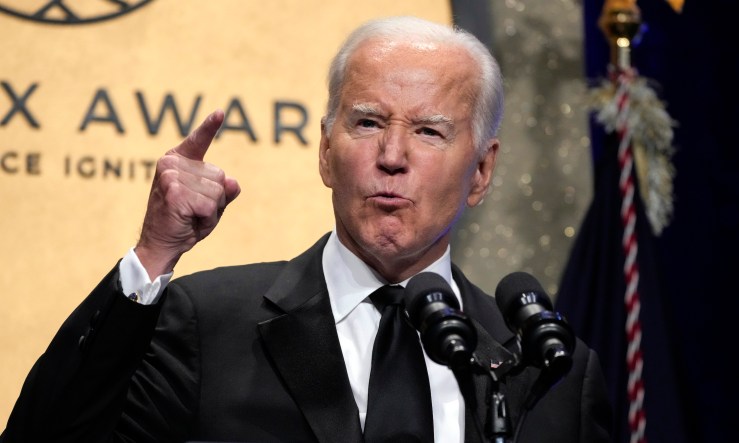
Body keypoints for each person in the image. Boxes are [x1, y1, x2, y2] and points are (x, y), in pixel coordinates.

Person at [1, 16, 611, 443]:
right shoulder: (206, 325)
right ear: (325, 151)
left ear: (481, 171)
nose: (392, 156)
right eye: (367, 123)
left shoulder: (547, 370)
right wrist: (154, 253)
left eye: (429, 131)